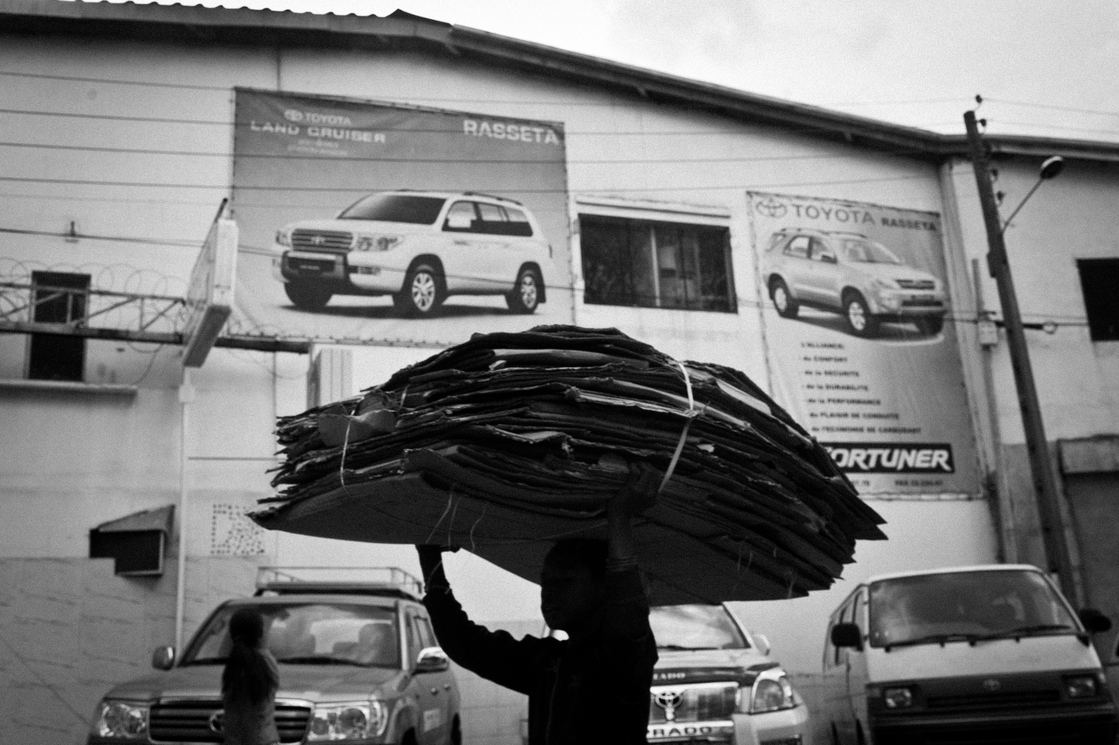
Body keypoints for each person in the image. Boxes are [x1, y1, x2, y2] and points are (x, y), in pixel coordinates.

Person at [417, 463, 659, 745]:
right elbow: (464, 642)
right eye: (546, 580)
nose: (549, 592)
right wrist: (429, 557)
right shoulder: (548, 663)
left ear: (603, 588)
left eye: (565, 579)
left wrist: (620, 518)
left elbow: (626, 607)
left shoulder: (623, 660)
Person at [221, 606, 280, 745]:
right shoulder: (267, 663)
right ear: (260, 634)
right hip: (265, 740)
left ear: (231, 636)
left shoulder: (233, 666)